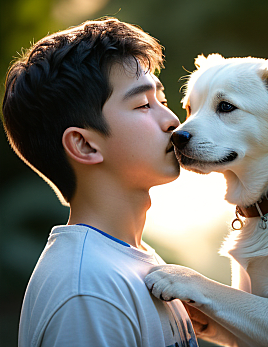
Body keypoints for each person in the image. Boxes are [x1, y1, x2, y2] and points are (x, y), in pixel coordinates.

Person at [2, 18, 198, 347]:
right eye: (142, 105)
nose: (173, 120)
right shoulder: (88, 291)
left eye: (162, 101)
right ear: (85, 145)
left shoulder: (127, 261)